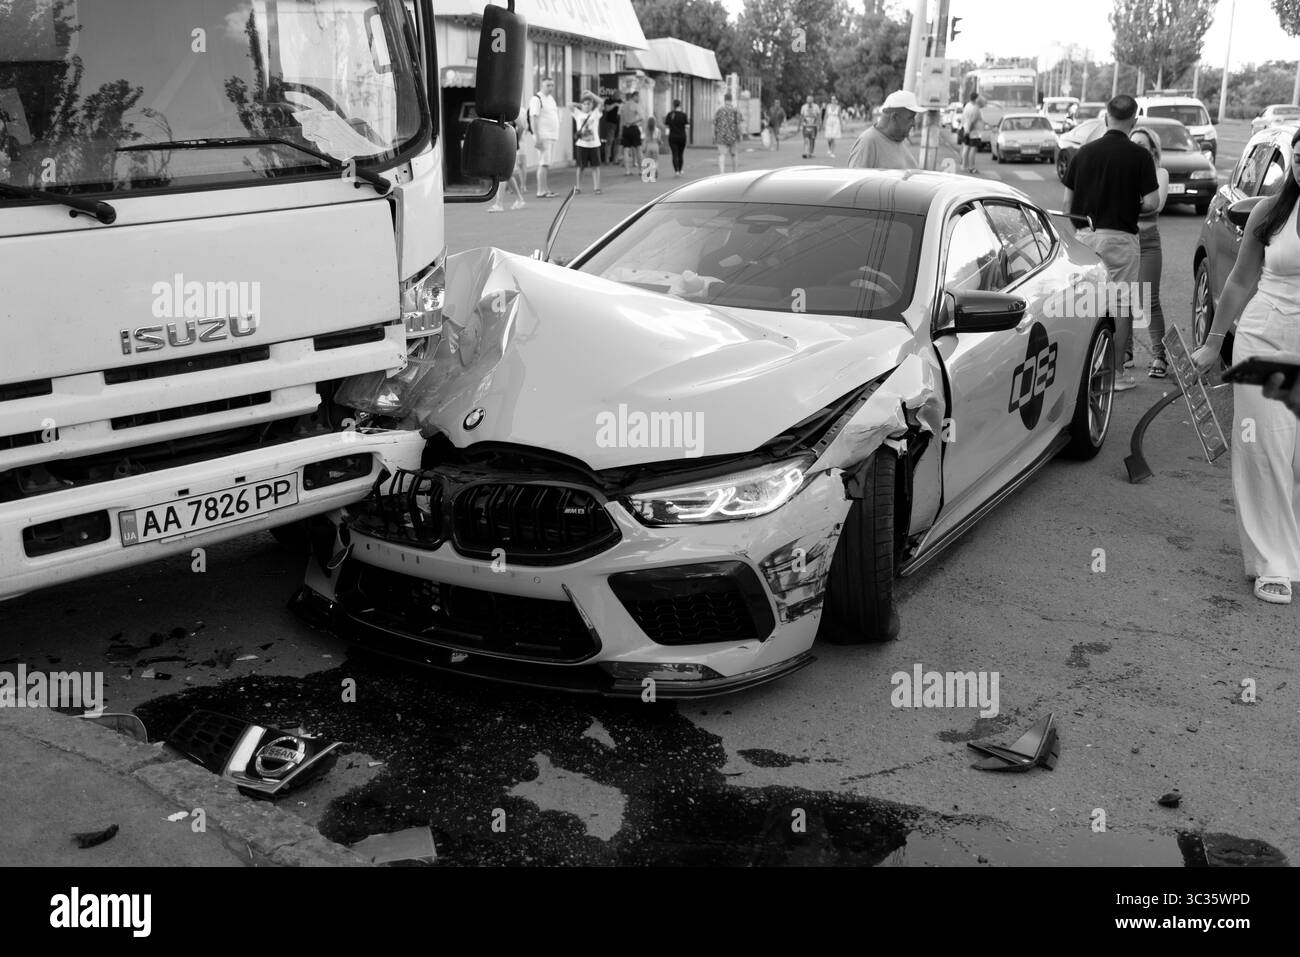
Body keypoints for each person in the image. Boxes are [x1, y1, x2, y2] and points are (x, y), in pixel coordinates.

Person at [1192, 127, 1300, 604]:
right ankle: (1272, 562)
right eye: (1298, 157)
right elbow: (1237, 282)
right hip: (1263, 341)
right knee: (1265, 451)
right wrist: (1214, 344)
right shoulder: (1271, 212)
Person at [1063, 94, 1160, 394]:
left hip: (1086, 237)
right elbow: (1153, 203)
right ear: (1134, 120)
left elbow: (1067, 204)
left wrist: (1083, 230)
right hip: (1122, 239)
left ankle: (1081, 372)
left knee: (1087, 305)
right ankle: (1114, 375)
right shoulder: (1140, 157)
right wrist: (1129, 207)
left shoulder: (1083, 153)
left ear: (1106, 118)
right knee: (1120, 306)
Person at [1131, 127, 1170, 377]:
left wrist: (1122, 205)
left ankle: (1159, 355)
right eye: (1133, 143)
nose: (1137, 148)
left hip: (1147, 242)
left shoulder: (1160, 173)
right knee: (1120, 299)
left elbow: (1157, 204)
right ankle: (1124, 353)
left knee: (1148, 300)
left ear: (1152, 150)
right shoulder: (1123, 170)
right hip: (1124, 239)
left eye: (1142, 145)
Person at [846, 89, 923, 170]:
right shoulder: (867, 142)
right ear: (894, 117)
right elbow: (857, 180)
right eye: (910, 118)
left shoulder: (897, 139)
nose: (914, 123)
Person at [527, 76, 559, 198]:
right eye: (548, 85)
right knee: (543, 163)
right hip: (543, 135)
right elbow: (533, 118)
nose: (550, 88)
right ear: (542, 86)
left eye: (552, 85)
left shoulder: (550, 99)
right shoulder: (536, 99)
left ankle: (545, 189)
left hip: (551, 136)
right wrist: (537, 137)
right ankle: (541, 190)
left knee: (547, 163)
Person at [487, 116, 527, 212]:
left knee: (502, 172)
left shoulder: (510, 109)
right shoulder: (493, 110)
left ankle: (499, 204)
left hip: (506, 142)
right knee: (508, 174)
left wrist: (515, 140)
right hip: (500, 142)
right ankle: (519, 199)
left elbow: (521, 126)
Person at [571, 90, 603, 194]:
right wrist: (580, 104)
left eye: (589, 104)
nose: (586, 106)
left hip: (594, 144)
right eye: (585, 104)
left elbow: (601, 102)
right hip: (582, 144)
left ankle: (596, 187)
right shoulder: (577, 113)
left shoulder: (595, 114)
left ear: (592, 105)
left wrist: (591, 94)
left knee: (595, 166)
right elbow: (569, 105)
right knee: (580, 167)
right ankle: (578, 187)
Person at [713, 92, 744, 175]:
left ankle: (722, 172)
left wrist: (714, 135)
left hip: (721, 136)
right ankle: (735, 172)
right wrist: (740, 135)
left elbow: (714, 123)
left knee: (721, 154)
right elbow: (739, 124)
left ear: (724, 99)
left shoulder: (719, 111)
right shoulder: (736, 110)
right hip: (733, 136)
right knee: (734, 154)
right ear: (731, 99)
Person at [620, 90, 643, 176]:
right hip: (633, 128)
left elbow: (621, 119)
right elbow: (641, 117)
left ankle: (627, 171)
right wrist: (632, 122)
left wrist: (621, 130)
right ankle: (640, 170)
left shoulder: (623, 106)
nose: (639, 99)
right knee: (638, 149)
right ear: (634, 96)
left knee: (626, 150)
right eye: (638, 97)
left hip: (625, 128)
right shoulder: (635, 105)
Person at [960, 91, 984, 174]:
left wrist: (966, 131)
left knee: (966, 148)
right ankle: (971, 167)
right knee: (973, 150)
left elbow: (964, 119)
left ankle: (964, 166)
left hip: (966, 129)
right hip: (974, 132)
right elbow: (973, 121)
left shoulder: (967, 106)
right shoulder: (975, 108)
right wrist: (969, 131)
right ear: (976, 99)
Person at [665, 100, 690, 176]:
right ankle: (681, 169)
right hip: (682, 136)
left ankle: (676, 171)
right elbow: (687, 126)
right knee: (680, 154)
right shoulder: (683, 115)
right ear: (680, 105)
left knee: (674, 153)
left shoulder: (670, 114)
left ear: (673, 105)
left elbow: (666, 125)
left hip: (672, 137)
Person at [599, 93, 620, 165]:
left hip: (619, 124)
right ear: (614, 95)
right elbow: (607, 109)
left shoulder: (620, 101)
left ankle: (615, 159)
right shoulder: (608, 101)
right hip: (610, 124)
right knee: (609, 141)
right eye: (617, 95)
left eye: (619, 95)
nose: (618, 97)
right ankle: (607, 159)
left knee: (618, 142)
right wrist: (615, 105)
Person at [643, 114, 661, 181]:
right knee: (655, 160)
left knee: (648, 160)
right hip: (655, 145)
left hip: (648, 145)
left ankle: (650, 175)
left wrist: (644, 147)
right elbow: (659, 140)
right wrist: (660, 142)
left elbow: (645, 139)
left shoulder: (646, 130)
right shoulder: (657, 130)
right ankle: (655, 169)